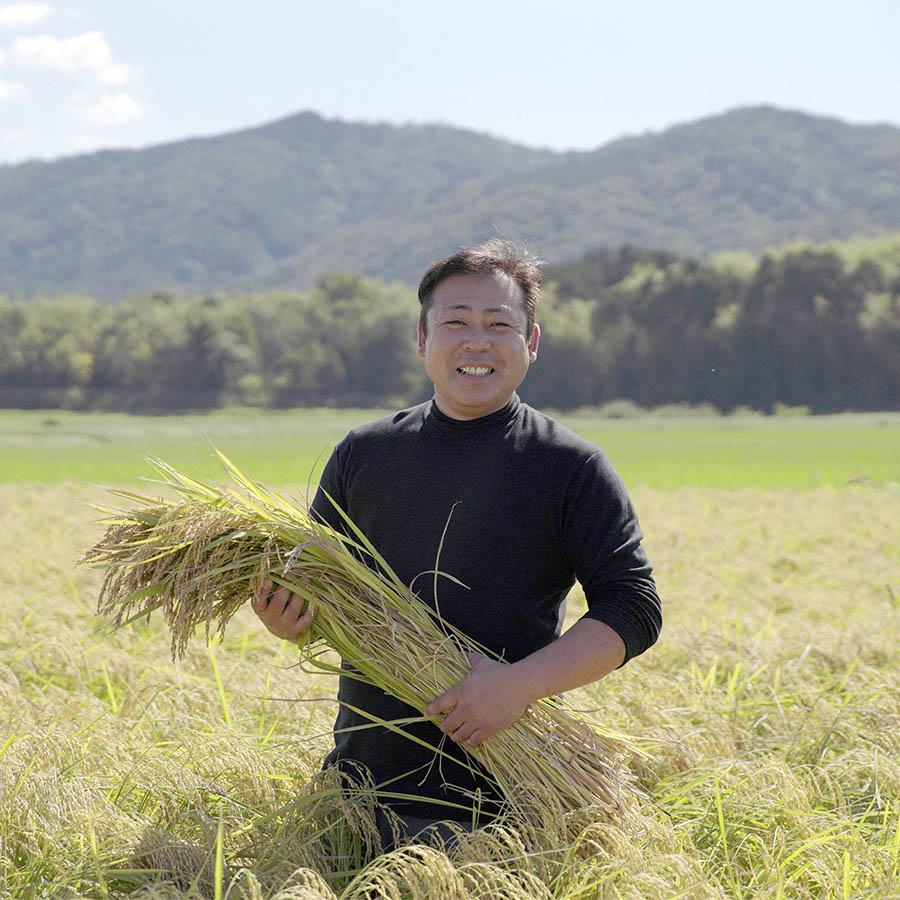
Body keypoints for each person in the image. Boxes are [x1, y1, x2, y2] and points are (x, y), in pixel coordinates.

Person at [252, 239, 661, 848]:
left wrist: (517, 684)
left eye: (500, 325)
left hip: (499, 806)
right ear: (422, 339)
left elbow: (633, 608)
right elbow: (322, 590)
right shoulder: (364, 454)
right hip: (357, 795)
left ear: (532, 343)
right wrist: (289, 621)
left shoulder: (569, 466)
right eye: (455, 323)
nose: (477, 342)